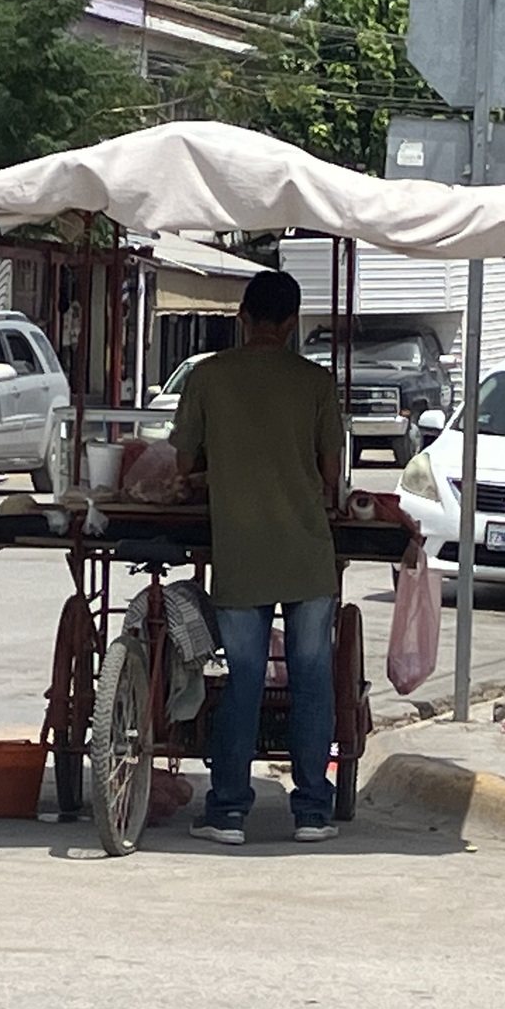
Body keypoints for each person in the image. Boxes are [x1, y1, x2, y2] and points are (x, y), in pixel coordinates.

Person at [171, 270, 346, 846]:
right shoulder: (317, 382)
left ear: (243, 317)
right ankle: (313, 811)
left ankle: (226, 813)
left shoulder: (209, 376)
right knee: (312, 678)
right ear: (292, 323)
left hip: (240, 551)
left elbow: (182, 464)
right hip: (307, 551)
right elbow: (330, 477)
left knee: (244, 678)